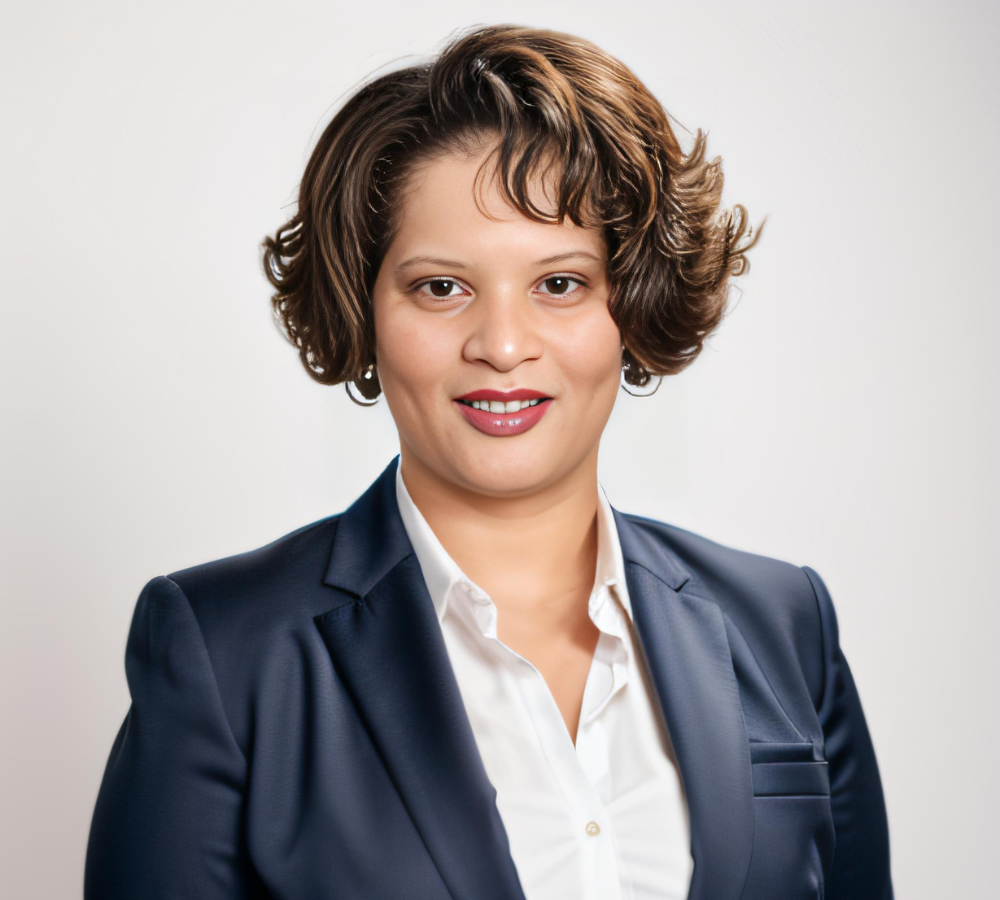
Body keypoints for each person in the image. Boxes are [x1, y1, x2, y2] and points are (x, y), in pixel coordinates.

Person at [84, 23, 893, 900]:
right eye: (442, 287)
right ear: (365, 311)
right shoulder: (225, 651)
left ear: (635, 305)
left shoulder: (782, 623)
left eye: (560, 283)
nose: (503, 345)